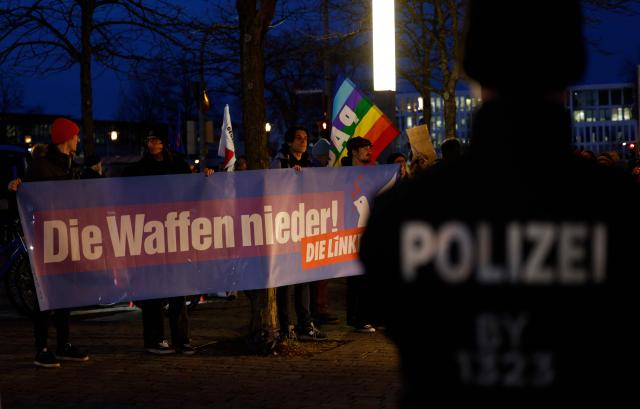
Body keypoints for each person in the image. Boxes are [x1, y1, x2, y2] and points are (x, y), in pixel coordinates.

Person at [360, 0, 639, 406]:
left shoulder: (404, 213)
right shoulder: (620, 210)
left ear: (473, 66)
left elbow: (392, 310)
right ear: (572, 66)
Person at [124, 129, 213, 355]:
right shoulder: (139, 169)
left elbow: (192, 193)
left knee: (178, 288)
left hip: (174, 232)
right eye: (148, 139)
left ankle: (181, 338)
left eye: (154, 139)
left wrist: (207, 179)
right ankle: (155, 339)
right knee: (152, 287)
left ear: (163, 143)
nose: (150, 143)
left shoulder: (178, 167)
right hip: (150, 234)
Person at [9, 117, 89, 368]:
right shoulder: (41, 167)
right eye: (75, 135)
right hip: (45, 239)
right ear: (66, 138)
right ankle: (41, 347)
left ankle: (63, 344)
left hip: (66, 237)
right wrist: (16, 189)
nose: (78, 139)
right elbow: (28, 201)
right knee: (46, 293)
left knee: (66, 292)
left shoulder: (71, 166)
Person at [271, 125, 327, 341]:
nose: (303, 141)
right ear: (288, 142)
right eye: (298, 138)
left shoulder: (310, 165)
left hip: (305, 227)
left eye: (305, 138)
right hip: (286, 229)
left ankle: (306, 323)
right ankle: (286, 325)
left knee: (303, 279)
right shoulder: (280, 163)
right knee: (286, 282)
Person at [341, 137, 377, 333]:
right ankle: (357, 318)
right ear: (354, 151)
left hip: (367, 229)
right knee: (355, 276)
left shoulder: (373, 171)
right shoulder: (343, 173)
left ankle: (367, 315)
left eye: (369, 147)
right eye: (365, 148)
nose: (369, 150)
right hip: (349, 230)